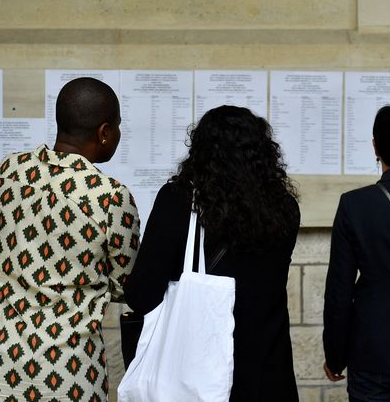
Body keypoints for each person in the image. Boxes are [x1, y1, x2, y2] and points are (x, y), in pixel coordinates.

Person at [0, 77, 139, 402]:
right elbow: (124, 284)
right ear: (104, 132)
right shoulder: (111, 197)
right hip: (67, 365)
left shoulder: (9, 171)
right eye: (117, 127)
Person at [124, 105, 300, 402]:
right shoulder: (284, 208)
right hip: (267, 372)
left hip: (195, 375)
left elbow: (142, 294)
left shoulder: (178, 202)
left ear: (200, 151)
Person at [322, 104, 390, 402]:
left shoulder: (354, 204)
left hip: (373, 348)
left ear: (375, 147)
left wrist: (335, 354)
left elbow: (339, 290)